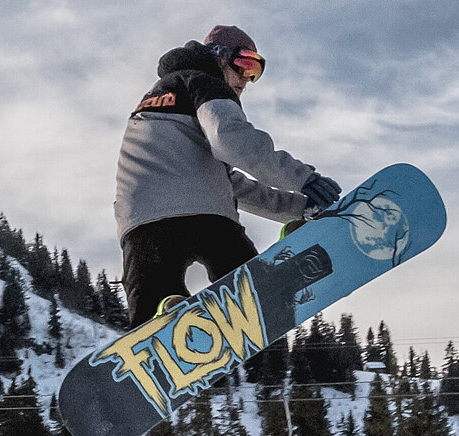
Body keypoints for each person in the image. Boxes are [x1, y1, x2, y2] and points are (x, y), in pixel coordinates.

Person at [113, 25, 341, 324]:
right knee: (248, 292)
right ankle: (289, 255)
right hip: (207, 220)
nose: (248, 79)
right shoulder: (204, 81)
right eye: (245, 63)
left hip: (140, 223)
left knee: (151, 314)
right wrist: (304, 179)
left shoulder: (156, 98)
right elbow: (231, 140)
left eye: (255, 71)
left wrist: (298, 208)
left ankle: (165, 312)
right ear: (217, 55)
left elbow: (229, 185)